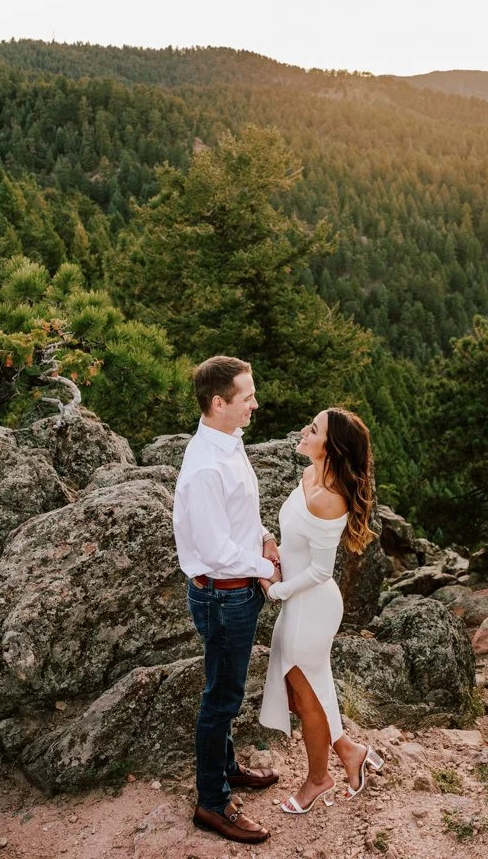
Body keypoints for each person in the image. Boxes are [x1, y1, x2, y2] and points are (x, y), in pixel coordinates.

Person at [175, 356, 282, 845]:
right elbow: (216, 550)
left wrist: (262, 537)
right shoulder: (204, 467)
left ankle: (226, 767)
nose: (255, 404)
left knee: (227, 689)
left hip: (238, 589)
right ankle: (211, 803)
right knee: (221, 699)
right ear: (218, 403)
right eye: (247, 397)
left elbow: (238, 516)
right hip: (224, 596)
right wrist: (268, 570)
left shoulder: (228, 443)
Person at [259, 407, 385, 813]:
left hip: (310, 605)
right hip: (299, 601)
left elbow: (319, 570)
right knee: (306, 693)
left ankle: (318, 779)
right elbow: (299, 542)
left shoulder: (329, 498)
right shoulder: (310, 475)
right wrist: (273, 548)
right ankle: (350, 752)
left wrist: (276, 590)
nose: (304, 431)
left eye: (313, 429)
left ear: (330, 447)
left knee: (306, 696)